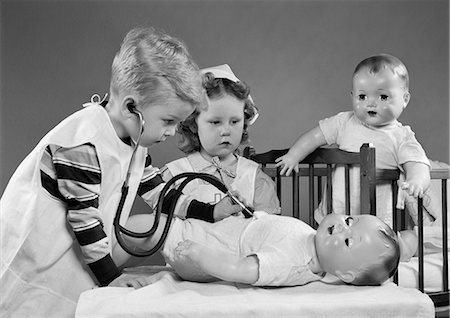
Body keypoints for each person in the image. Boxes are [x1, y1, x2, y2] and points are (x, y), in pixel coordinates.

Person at [0, 27, 240, 317]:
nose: (173, 131)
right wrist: (111, 278)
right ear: (131, 107)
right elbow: (85, 222)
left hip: (67, 262)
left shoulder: (134, 145)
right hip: (33, 268)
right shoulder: (84, 142)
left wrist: (211, 212)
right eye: (167, 120)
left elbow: (161, 193)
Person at [275, 54, 430, 225]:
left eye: (383, 97)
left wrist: (416, 181)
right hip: (335, 212)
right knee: (326, 245)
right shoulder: (344, 122)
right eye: (362, 97)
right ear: (352, 96)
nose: (370, 103)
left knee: (369, 247)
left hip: (374, 220)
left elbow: (417, 163)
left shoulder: (401, 136)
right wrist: (294, 155)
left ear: (405, 99)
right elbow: (315, 136)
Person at [112, 212, 402, 287]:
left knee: (141, 228)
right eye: (350, 220)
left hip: (209, 249)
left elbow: (242, 270)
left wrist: (200, 254)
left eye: (349, 241)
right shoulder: (311, 240)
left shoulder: (294, 262)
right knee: (141, 230)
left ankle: (102, 273)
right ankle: (104, 265)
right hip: (213, 234)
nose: (341, 226)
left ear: (347, 275)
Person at [160, 64, 280, 220]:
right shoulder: (176, 174)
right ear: (193, 123)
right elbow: (163, 227)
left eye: (235, 121)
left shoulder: (253, 177)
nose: (226, 130)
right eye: (216, 122)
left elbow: (269, 228)